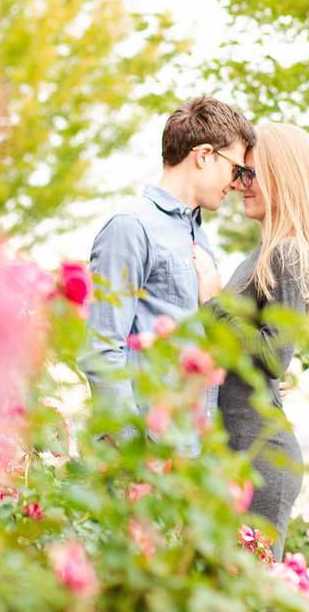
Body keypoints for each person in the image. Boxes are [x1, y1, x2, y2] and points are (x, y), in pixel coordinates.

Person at [194, 122, 309, 558]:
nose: (240, 184)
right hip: (239, 450)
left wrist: (212, 302)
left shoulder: (288, 251)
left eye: (250, 174)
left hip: (259, 458)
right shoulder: (262, 255)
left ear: (284, 178)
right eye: (240, 174)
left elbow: (276, 354)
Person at [79, 95, 256, 455]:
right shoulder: (131, 227)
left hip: (187, 459)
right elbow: (101, 349)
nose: (238, 183)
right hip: (146, 463)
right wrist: (135, 457)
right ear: (204, 155)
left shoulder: (199, 236)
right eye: (236, 169)